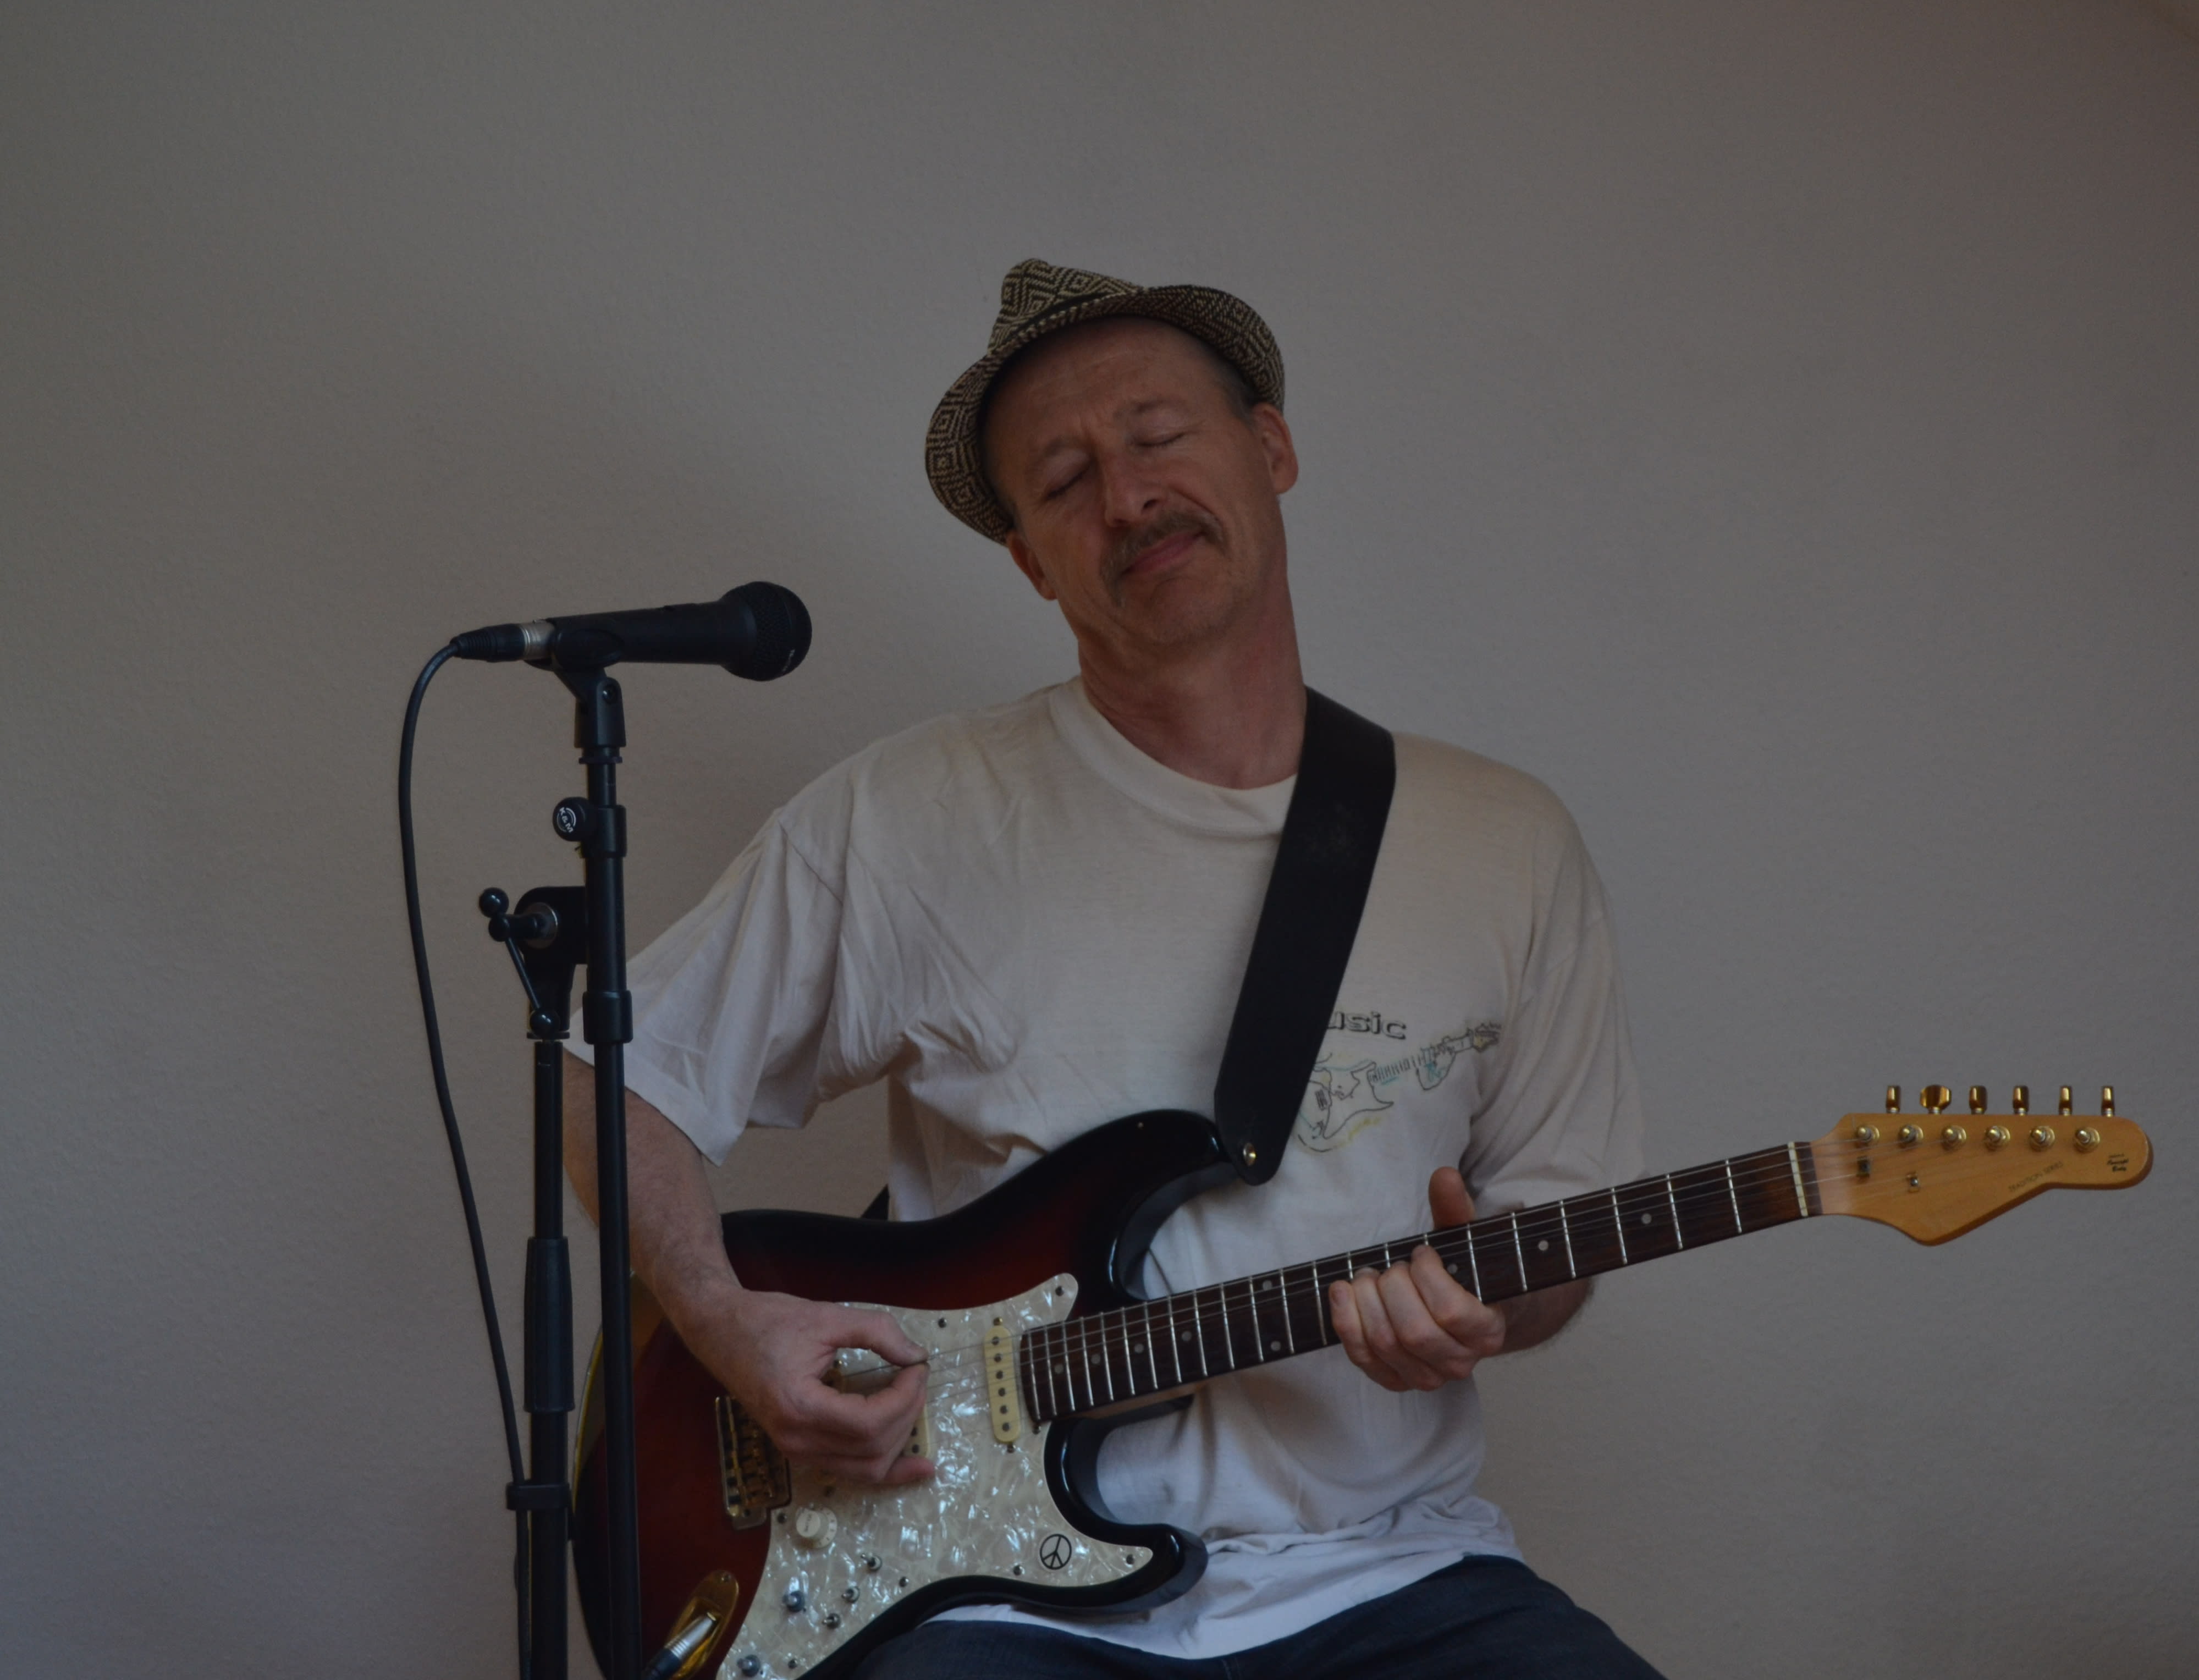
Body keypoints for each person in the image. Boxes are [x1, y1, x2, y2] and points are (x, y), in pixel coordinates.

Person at [564, 260, 1661, 1678]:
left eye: (1159, 436)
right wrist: (726, 1328)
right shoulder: (909, 817)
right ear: (1031, 560)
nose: (1130, 499)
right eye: (1065, 481)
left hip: (1393, 1571)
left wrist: (1485, 1307)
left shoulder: (1501, 841)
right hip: (989, 1607)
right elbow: (613, 1081)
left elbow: (1558, 1224)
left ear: (1270, 449)